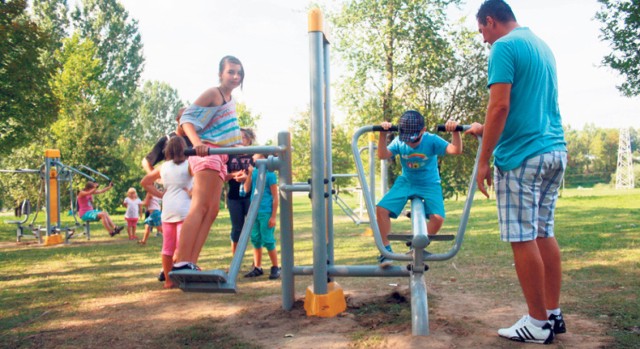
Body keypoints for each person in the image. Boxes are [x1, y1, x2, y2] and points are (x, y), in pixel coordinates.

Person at [465, 0, 568, 344]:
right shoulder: (541, 46)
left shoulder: (504, 47)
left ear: (490, 21)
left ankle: (537, 324)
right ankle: (552, 314)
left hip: (522, 158)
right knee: (543, 233)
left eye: (481, 31)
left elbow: (501, 105)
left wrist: (483, 159)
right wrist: (486, 129)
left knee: (522, 237)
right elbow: (523, 107)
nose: (483, 40)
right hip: (553, 151)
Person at [172, 55, 245, 272]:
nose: (235, 76)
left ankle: (190, 261)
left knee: (212, 210)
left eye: (239, 73)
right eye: (231, 71)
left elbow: (224, 133)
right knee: (200, 207)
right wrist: (197, 144)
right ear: (220, 73)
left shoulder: (229, 99)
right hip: (208, 153)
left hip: (221, 155)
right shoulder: (213, 93)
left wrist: (237, 150)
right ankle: (181, 262)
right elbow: (186, 119)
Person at [376, 111, 462, 268]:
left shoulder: (432, 140)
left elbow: (455, 150)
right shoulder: (399, 142)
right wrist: (383, 134)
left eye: (414, 139)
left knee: (438, 218)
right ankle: (385, 251)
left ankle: (416, 248)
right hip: (407, 181)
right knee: (381, 209)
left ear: (423, 130)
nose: (410, 143)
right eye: (406, 140)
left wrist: (455, 131)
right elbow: (382, 155)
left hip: (429, 183)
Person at [141, 136, 193, 289]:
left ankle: (169, 281)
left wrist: (160, 194)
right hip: (184, 210)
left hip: (167, 210)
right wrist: (192, 192)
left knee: (167, 247)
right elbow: (200, 180)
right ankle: (183, 274)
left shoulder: (163, 167)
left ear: (167, 151)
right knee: (181, 246)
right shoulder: (189, 165)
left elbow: (145, 182)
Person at [242, 153, 280, 279]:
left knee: (268, 239)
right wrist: (248, 175)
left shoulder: (270, 175)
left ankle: (275, 267)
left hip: (266, 212)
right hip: (254, 211)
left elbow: (275, 197)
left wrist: (273, 216)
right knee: (255, 239)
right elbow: (246, 189)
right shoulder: (253, 173)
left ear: (263, 159)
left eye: (256, 159)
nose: (253, 161)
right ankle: (257, 267)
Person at [225, 128, 256, 254]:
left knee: (254, 229)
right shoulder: (228, 156)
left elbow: (261, 175)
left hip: (251, 197)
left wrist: (248, 177)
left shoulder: (254, 155)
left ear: (249, 140)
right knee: (237, 229)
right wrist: (235, 174)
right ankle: (235, 261)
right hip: (233, 197)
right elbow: (222, 176)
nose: (239, 140)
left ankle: (256, 264)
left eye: (242, 137)